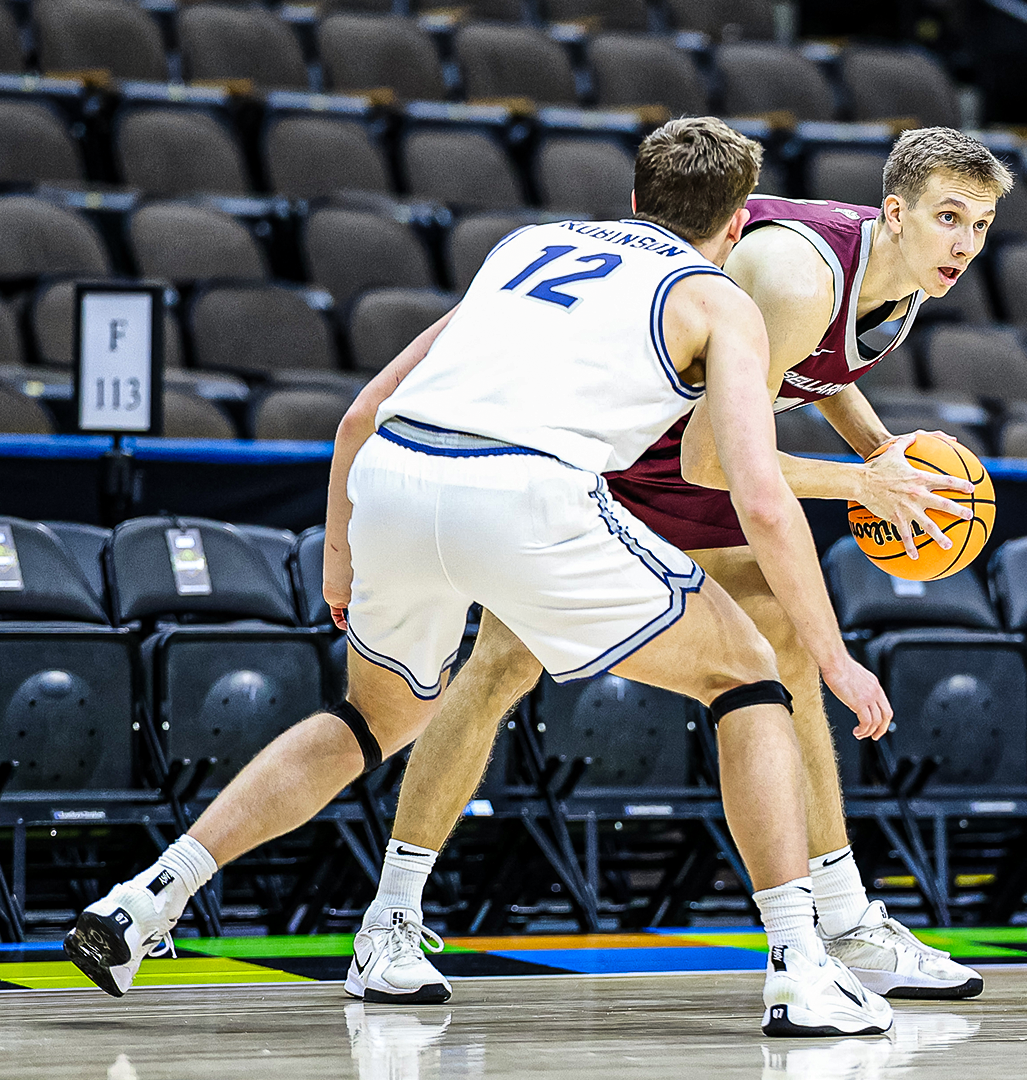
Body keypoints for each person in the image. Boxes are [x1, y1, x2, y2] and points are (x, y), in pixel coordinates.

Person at [65, 117, 900, 1038]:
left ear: (634, 198)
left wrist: (338, 553)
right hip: (526, 492)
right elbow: (762, 498)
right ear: (737, 225)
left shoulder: (527, 245)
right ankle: (799, 964)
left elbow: (359, 412)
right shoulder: (718, 299)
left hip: (394, 476)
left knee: (367, 719)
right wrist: (833, 658)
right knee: (748, 678)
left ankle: (151, 897)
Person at [357, 128, 1014, 1005]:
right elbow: (716, 458)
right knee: (500, 665)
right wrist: (863, 480)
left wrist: (886, 451)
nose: (965, 243)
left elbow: (808, 368)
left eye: (982, 223)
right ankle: (391, 915)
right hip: (623, 448)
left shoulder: (902, 277)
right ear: (894, 214)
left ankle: (844, 919)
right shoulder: (796, 272)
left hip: (689, 449)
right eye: (948, 219)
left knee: (782, 645)